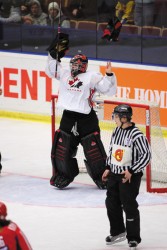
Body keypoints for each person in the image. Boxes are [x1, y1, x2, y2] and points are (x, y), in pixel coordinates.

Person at [45, 33, 117, 189]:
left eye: (78, 65)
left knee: (94, 152)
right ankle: (64, 175)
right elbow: (51, 70)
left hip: (86, 119)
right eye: (73, 64)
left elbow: (108, 90)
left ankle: (102, 177)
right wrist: (53, 54)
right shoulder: (64, 74)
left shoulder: (92, 76)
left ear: (84, 66)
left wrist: (109, 74)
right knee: (61, 150)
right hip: (68, 117)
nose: (75, 67)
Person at [102, 104, 151, 248]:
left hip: (129, 177)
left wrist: (132, 170)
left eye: (116, 116)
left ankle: (133, 237)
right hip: (114, 174)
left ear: (124, 118)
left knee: (129, 205)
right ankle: (118, 231)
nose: (114, 118)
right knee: (111, 203)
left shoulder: (136, 134)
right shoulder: (116, 130)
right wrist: (107, 167)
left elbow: (146, 155)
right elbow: (112, 150)